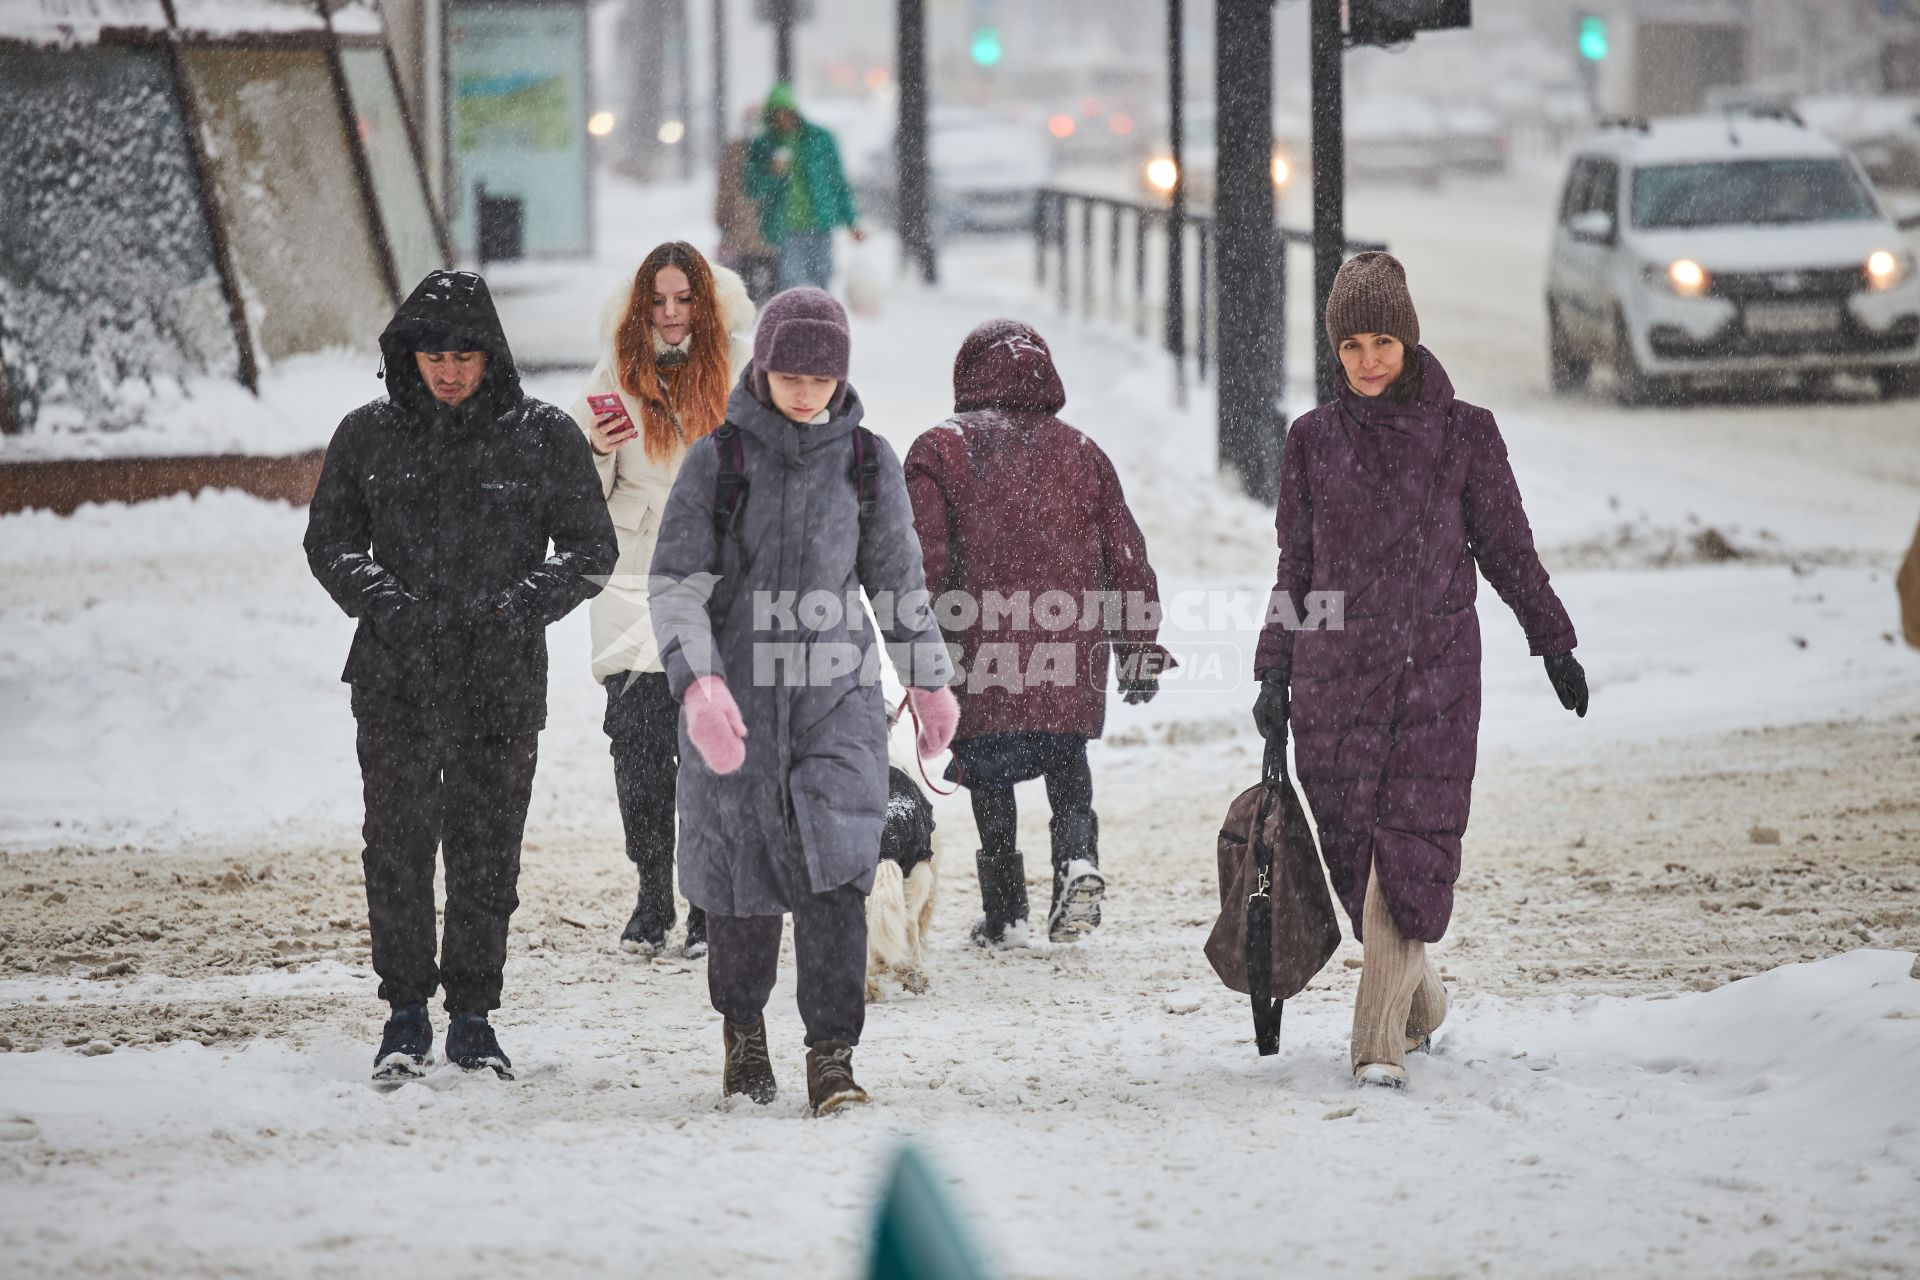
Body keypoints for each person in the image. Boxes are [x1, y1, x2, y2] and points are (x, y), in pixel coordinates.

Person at [1250, 252, 1587, 1092]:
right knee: (1360, 863)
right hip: (1332, 686)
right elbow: (1295, 569)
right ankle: (1422, 1003)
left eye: (1384, 341)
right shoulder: (1311, 442)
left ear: (1410, 338)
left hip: (1434, 679)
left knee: (1401, 863)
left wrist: (1553, 641)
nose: (1369, 360)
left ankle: (1376, 1047)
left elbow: (1509, 550)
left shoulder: (1464, 433)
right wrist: (1274, 673)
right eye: (1353, 343)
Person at [647, 288, 957, 1115]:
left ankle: (832, 1054)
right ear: (763, 366)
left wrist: (927, 677)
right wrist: (699, 681)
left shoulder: (866, 462)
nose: (806, 391)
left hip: (836, 701)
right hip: (735, 702)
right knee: (740, 881)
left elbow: (897, 582)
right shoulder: (718, 461)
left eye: (822, 376)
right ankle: (743, 1035)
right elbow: (675, 586)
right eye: (789, 373)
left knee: (837, 877)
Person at [305, 271, 617, 1082]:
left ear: (491, 357)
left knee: (486, 853)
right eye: (432, 355)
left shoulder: (543, 437)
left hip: (502, 680)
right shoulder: (366, 436)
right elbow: (329, 541)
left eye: (463, 356)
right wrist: (383, 601)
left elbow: (592, 550)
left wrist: (519, 606)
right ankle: (404, 1012)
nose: (447, 371)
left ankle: (474, 1014)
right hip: (394, 677)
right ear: (406, 357)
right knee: (398, 849)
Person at [904, 320, 1171, 947]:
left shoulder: (940, 449)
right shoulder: (1082, 451)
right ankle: (1077, 859)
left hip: (981, 653)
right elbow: (1126, 557)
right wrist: (1137, 648)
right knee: (1064, 758)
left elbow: (925, 561)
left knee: (991, 777)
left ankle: (1006, 914)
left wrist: (919, 647)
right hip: (1067, 655)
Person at [567, 242, 755, 959]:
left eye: (684, 300)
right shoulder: (615, 373)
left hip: (716, 579)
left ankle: (709, 898)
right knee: (640, 747)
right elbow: (577, 488)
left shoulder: (741, 374)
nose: (672, 315)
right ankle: (652, 892)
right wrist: (592, 444)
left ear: (705, 304)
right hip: (633, 581)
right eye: (659, 301)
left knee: (713, 747)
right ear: (642, 304)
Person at [744, 83, 865, 293]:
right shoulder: (763, 144)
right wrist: (773, 173)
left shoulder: (820, 139)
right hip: (786, 226)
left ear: (795, 111)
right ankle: (798, 325)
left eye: (786, 112)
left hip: (820, 222)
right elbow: (752, 187)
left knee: (822, 282)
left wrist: (851, 221)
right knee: (793, 286)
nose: (782, 118)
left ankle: (821, 324)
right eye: (776, 114)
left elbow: (837, 182)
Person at [716, 104, 780, 305]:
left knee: (771, 277)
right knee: (746, 276)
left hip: (767, 223)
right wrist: (723, 217)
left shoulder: (773, 149)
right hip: (742, 223)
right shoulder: (735, 150)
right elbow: (725, 187)